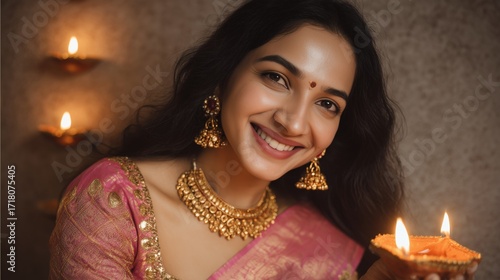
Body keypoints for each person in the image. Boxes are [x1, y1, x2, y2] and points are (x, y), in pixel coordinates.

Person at [49, 0, 477, 279]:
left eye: (327, 104)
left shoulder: (328, 251)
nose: (293, 122)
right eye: (276, 77)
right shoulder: (111, 200)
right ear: (223, 75)